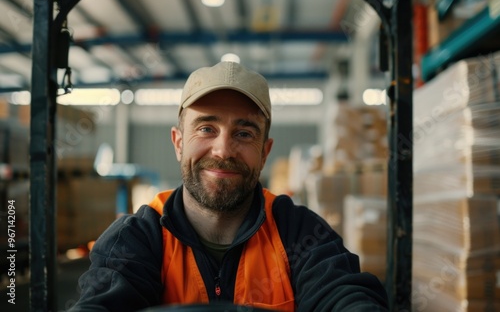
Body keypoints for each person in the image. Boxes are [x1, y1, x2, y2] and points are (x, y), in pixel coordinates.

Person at [70, 61, 388, 311]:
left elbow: (342, 294)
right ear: (178, 142)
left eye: (245, 133)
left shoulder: (299, 232)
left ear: (264, 152)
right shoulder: (138, 238)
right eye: (207, 127)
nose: (223, 150)